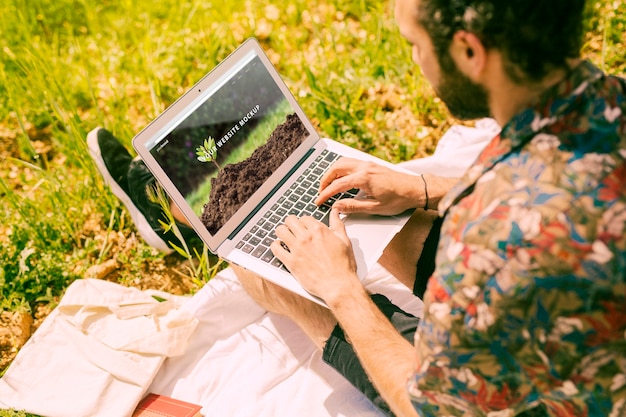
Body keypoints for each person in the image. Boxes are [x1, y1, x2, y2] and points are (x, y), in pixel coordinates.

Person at [88, 0, 626, 416]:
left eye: (415, 43)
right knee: (377, 217)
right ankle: (183, 209)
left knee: (274, 282)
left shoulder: (489, 246)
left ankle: (176, 215)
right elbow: (537, 177)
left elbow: (428, 405)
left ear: (469, 51)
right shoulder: (610, 102)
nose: (417, 60)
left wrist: (340, 291)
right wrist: (422, 188)